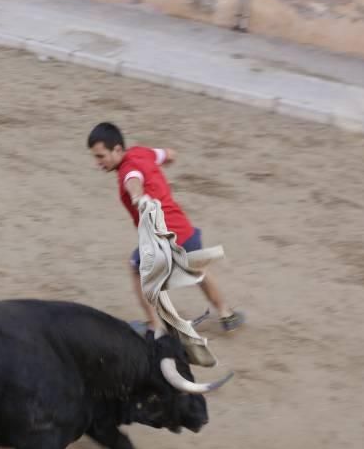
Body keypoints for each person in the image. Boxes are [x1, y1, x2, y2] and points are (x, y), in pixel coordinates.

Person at [87, 121, 245, 334]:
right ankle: (227, 314)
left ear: (117, 150)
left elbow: (133, 181)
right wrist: (168, 158)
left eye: (100, 156)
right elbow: (168, 154)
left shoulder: (128, 170)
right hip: (183, 227)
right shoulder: (141, 152)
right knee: (198, 270)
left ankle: (155, 325)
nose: (97, 163)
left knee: (136, 270)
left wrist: (138, 197)